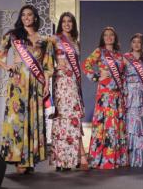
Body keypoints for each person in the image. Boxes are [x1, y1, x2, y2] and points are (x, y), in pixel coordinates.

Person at [0, 5, 54, 174]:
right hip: (18, 82)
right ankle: (18, 159)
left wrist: (47, 84)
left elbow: (48, 66)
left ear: (35, 17)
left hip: (36, 83)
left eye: (30, 15)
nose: (26, 17)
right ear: (21, 18)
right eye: (23, 15)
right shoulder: (13, 36)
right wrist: (8, 67)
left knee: (33, 119)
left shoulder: (45, 40)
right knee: (17, 120)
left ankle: (30, 160)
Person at [82, 27, 128, 169]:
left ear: (115, 38)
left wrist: (125, 92)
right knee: (105, 125)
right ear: (103, 38)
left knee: (116, 125)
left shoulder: (120, 56)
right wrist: (97, 77)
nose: (109, 37)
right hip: (105, 94)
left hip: (117, 95)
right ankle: (103, 158)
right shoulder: (99, 52)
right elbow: (86, 65)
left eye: (111, 35)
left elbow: (124, 75)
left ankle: (117, 158)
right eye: (106, 35)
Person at [49, 12, 88, 171]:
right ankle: (61, 160)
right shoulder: (54, 38)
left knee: (74, 118)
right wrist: (54, 67)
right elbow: (44, 56)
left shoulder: (76, 42)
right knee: (62, 118)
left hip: (73, 84)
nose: (66, 24)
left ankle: (73, 159)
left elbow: (77, 65)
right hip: (62, 82)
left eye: (69, 21)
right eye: (64, 21)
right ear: (60, 24)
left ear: (73, 24)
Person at [123, 33, 143, 167]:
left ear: (142, 45)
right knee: (132, 125)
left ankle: (142, 156)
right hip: (131, 95)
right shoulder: (125, 58)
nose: (136, 44)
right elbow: (121, 78)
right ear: (131, 44)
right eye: (134, 42)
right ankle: (131, 156)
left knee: (142, 125)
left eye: (139, 42)